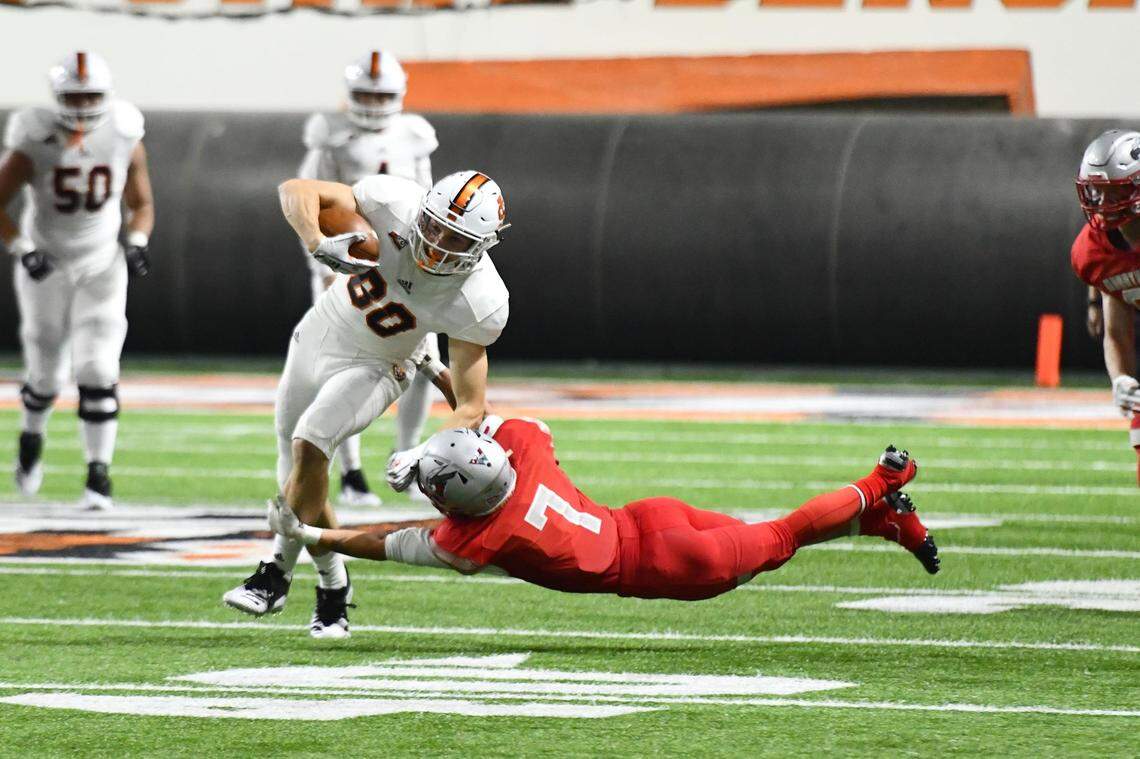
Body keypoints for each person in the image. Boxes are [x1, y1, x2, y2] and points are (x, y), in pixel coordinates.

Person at [224, 169, 509, 638]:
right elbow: (295, 190)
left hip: (381, 363)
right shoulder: (395, 201)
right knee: (296, 467)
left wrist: (427, 449)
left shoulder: (480, 299)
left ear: (483, 246)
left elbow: (471, 403)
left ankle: (273, 573)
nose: (436, 244)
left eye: (454, 239)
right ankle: (333, 585)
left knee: (311, 440)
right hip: (320, 330)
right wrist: (316, 240)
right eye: (434, 227)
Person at [268, 416, 940, 605]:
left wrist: (314, 531)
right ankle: (883, 519)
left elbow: (388, 539)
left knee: (785, 535)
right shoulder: (524, 448)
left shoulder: (476, 539)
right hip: (650, 516)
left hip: (664, 564)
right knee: (775, 537)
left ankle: (881, 479)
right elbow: (490, 423)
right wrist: (421, 446)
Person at [0, 51, 154, 511]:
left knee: (98, 367)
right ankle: (31, 438)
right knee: (46, 370)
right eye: (74, 95)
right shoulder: (35, 135)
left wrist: (139, 239)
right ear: (57, 97)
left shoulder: (124, 130)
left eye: (90, 95)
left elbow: (141, 201)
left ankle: (98, 476)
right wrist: (23, 249)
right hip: (47, 262)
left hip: (102, 262)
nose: (83, 104)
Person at [299, 50, 439, 508]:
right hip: (349, 263)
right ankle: (351, 472)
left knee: (423, 361)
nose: (375, 104)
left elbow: (427, 203)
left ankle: (408, 455)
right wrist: (322, 266)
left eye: (382, 95)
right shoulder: (330, 136)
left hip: (405, 266)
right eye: (365, 94)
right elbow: (310, 205)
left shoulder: (414, 136)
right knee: (345, 363)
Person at [1071, 129, 1140, 474]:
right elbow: (1117, 331)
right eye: (1096, 191)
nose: (1100, 202)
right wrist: (1121, 379)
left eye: (1112, 191)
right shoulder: (1094, 250)